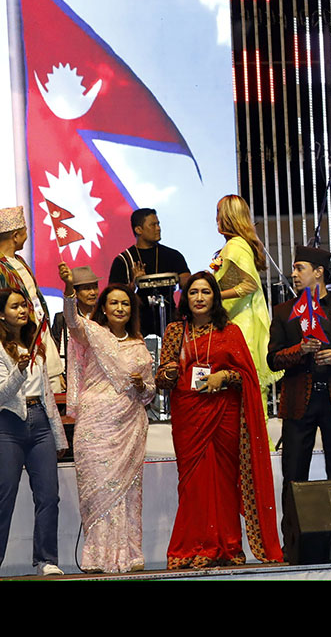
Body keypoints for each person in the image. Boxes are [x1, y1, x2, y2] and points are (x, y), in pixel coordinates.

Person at [155, 272, 283, 568]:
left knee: (224, 482)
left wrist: (224, 376)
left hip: (223, 414)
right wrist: (170, 373)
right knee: (192, 485)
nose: (199, 298)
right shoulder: (176, 331)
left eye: (205, 292)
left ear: (215, 297)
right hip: (189, 416)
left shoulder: (231, 331)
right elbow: (163, 377)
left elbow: (247, 377)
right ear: (185, 298)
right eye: (193, 293)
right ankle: (192, 546)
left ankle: (226, 545)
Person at [58, 264, 156, 573]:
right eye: (113, 302)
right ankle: (98, 557)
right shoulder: (93, 334)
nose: (119, 308)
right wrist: (69, 289)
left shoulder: (140, 347)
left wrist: (143, 386)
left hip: (128, 427)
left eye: (125, 303)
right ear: (104, 307)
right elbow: (72, 320)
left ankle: (129, 555)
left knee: (127, 493)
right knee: (98, 493)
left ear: (132, 310)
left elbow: (149, 392)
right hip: (95, 427)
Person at [267, 246, 331, 552]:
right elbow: (272, 360)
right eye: (293, 269)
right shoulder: (284, 311)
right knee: (294, 477)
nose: (293, 274)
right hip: (298, 401)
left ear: (318, 272)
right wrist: (300, 351)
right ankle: (292, 544)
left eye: (299, 268)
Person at [0, 287, 68, 576]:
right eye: (15, 307)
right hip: (8, 423)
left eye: (24, 306)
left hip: (40, 422)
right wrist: (18, 370)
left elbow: (49, 398)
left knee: (49, 495)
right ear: (1, 314)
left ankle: (46, 559)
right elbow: (2, 395)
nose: (22, 311)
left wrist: (58, 434)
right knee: (5, 494)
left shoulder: (36, 344)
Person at [213, 194, 274, 419]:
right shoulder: (234, 246)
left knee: (247, 387)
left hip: (242, 325)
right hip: (238, 321)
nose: (216, 219)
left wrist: (215, 296)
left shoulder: (235, 246)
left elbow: (249, 284)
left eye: (219, 213)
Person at [0, 206, 65, 395]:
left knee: (52, 382)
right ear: (16, 235)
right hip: (17, 339)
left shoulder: (19, 260)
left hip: (38, 330)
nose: (27, 235)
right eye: (26, 231)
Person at [108, 208, 190, 336]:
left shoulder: (173, 255)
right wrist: (134, 283)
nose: (158, 228)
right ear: (138, 230)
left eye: (158, 224)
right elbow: (113, 297)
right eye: (153, 225)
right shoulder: (123, 260)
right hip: (136, 327)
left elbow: (187, 284)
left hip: (171, 323)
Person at [51, 265, 100, 367]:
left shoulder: (103, 316)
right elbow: (54, 348)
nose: (93, 293)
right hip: (70, 370)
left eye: (95, 287)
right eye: (86, 289)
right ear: (75, 292)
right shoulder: (62, 318)